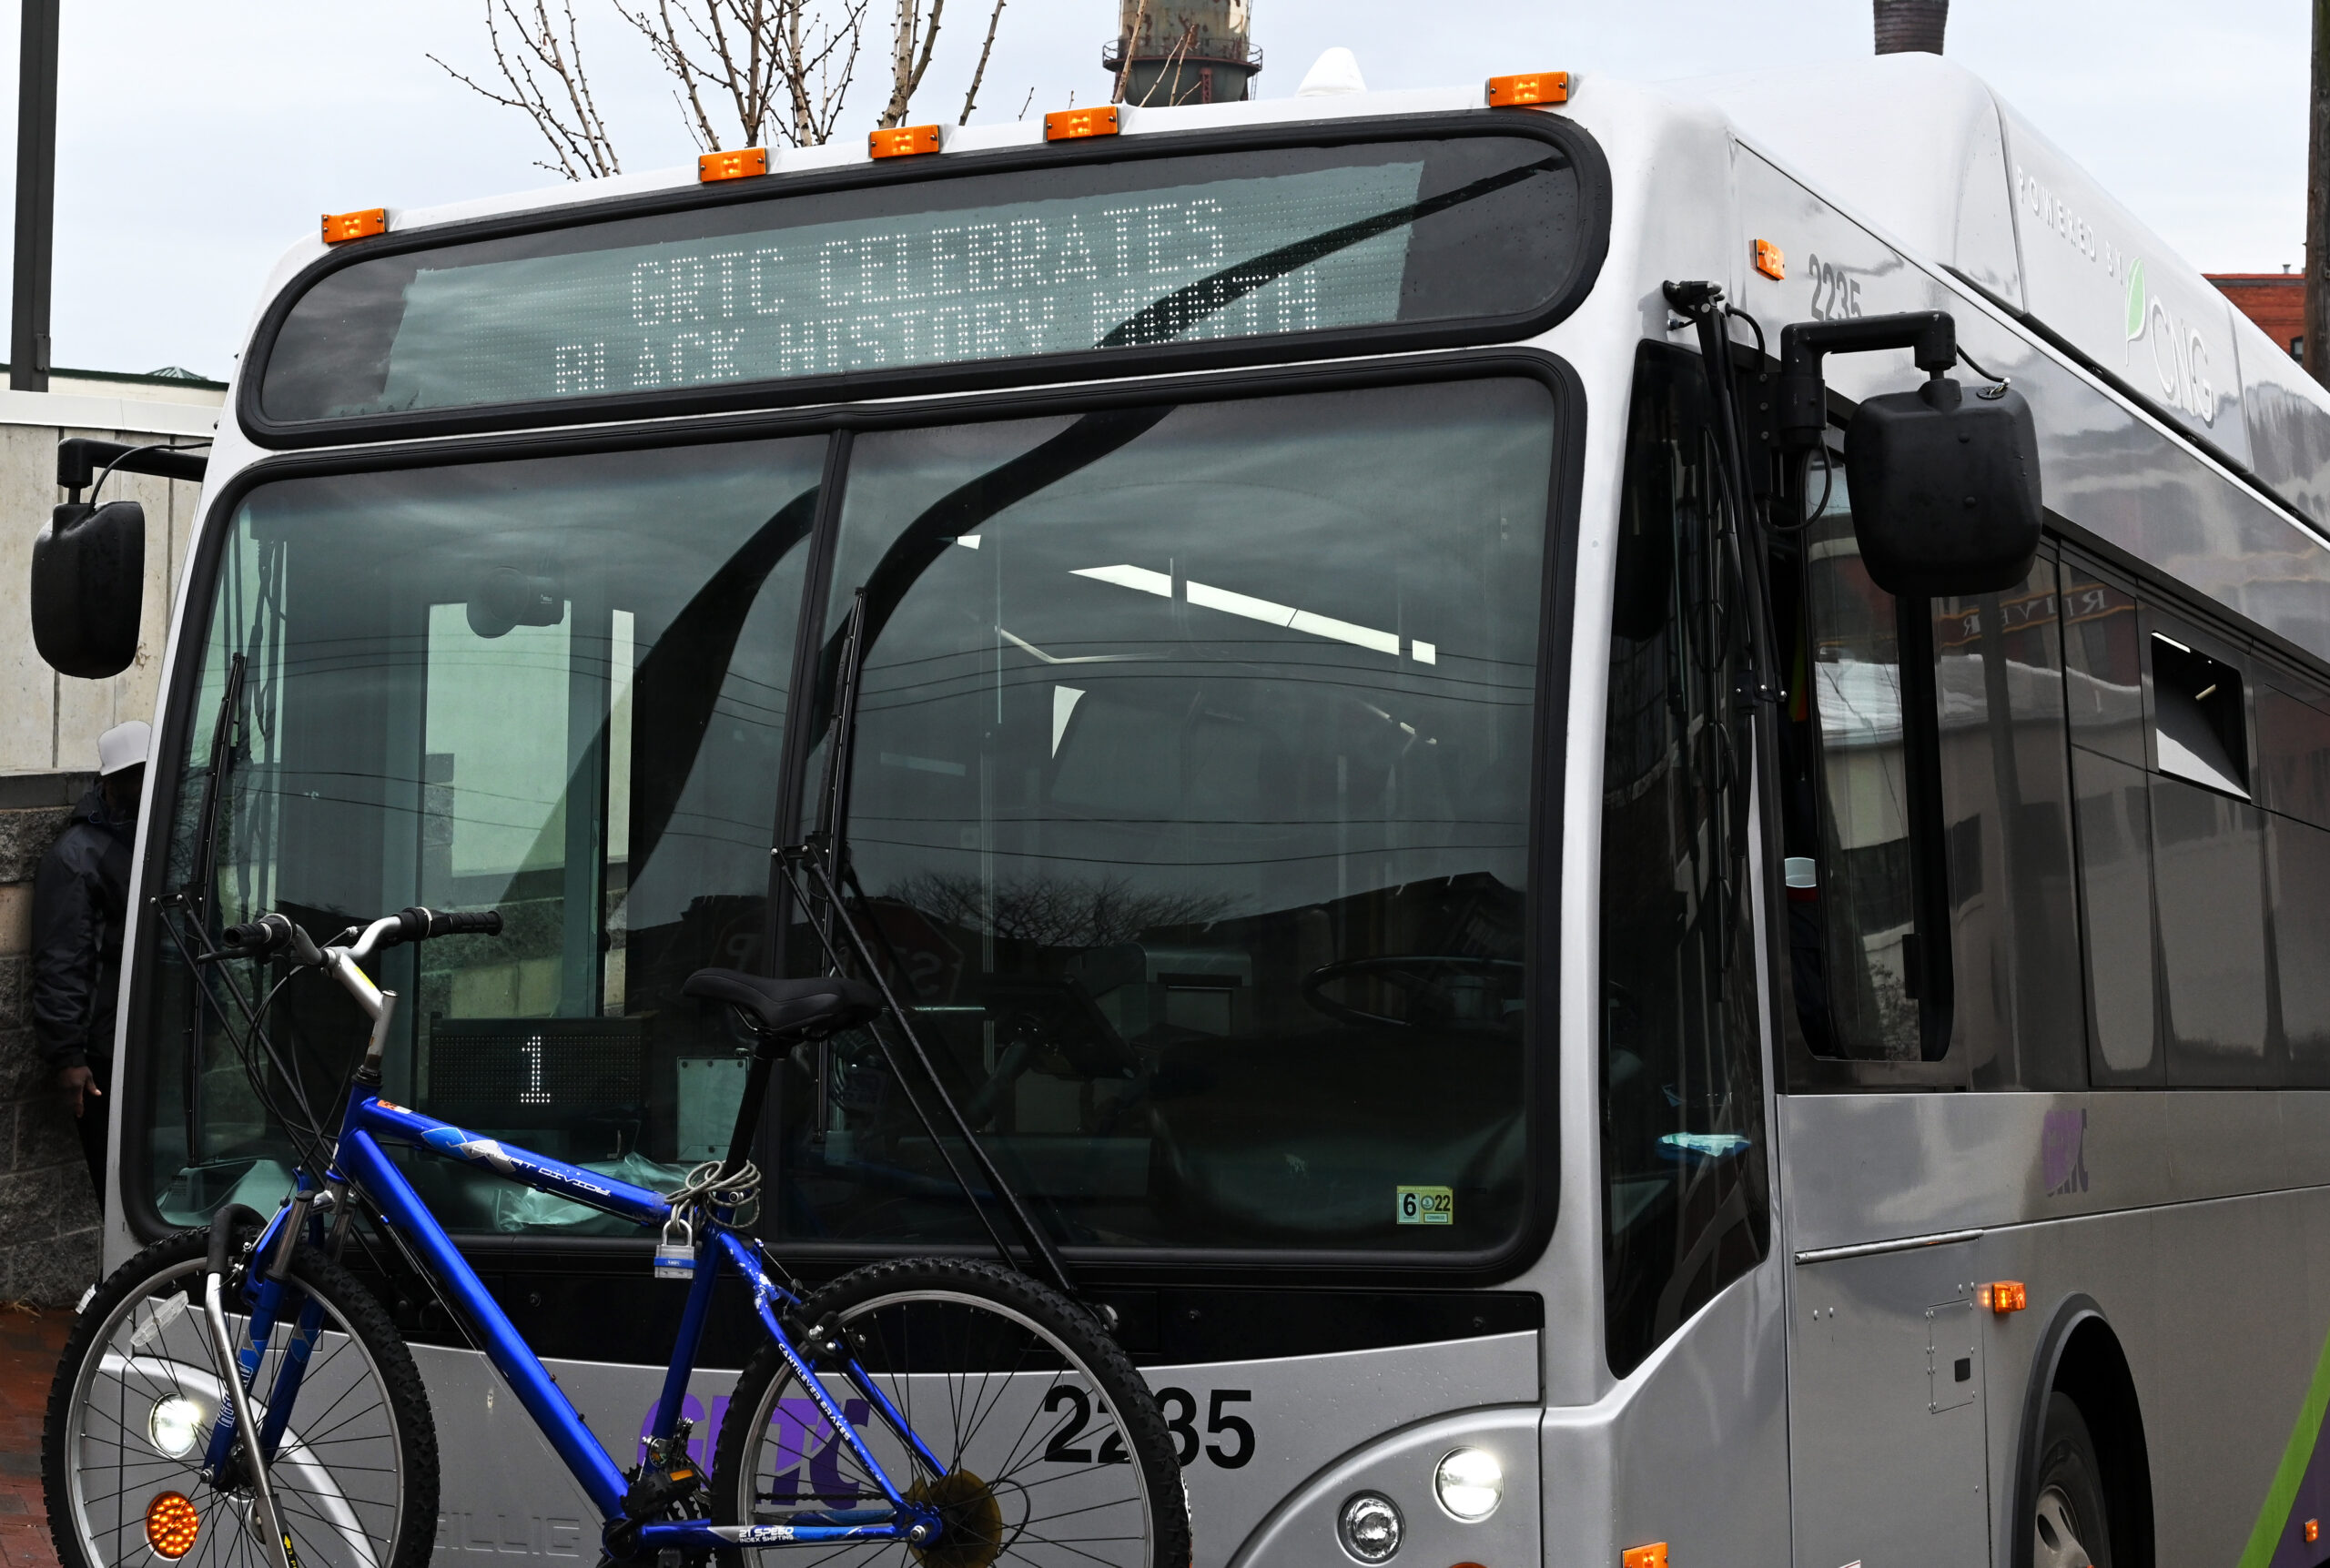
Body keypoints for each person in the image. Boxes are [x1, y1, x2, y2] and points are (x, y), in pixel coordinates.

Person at [33, 720, 147, 1205]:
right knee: (120, 1189)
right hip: (104, 1050)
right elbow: (62, 959)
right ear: (109, 783)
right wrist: (69, 1058)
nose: (142, 787)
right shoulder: (76, 856)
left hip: (148, 1042)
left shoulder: (150, 840)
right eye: (132, 777)